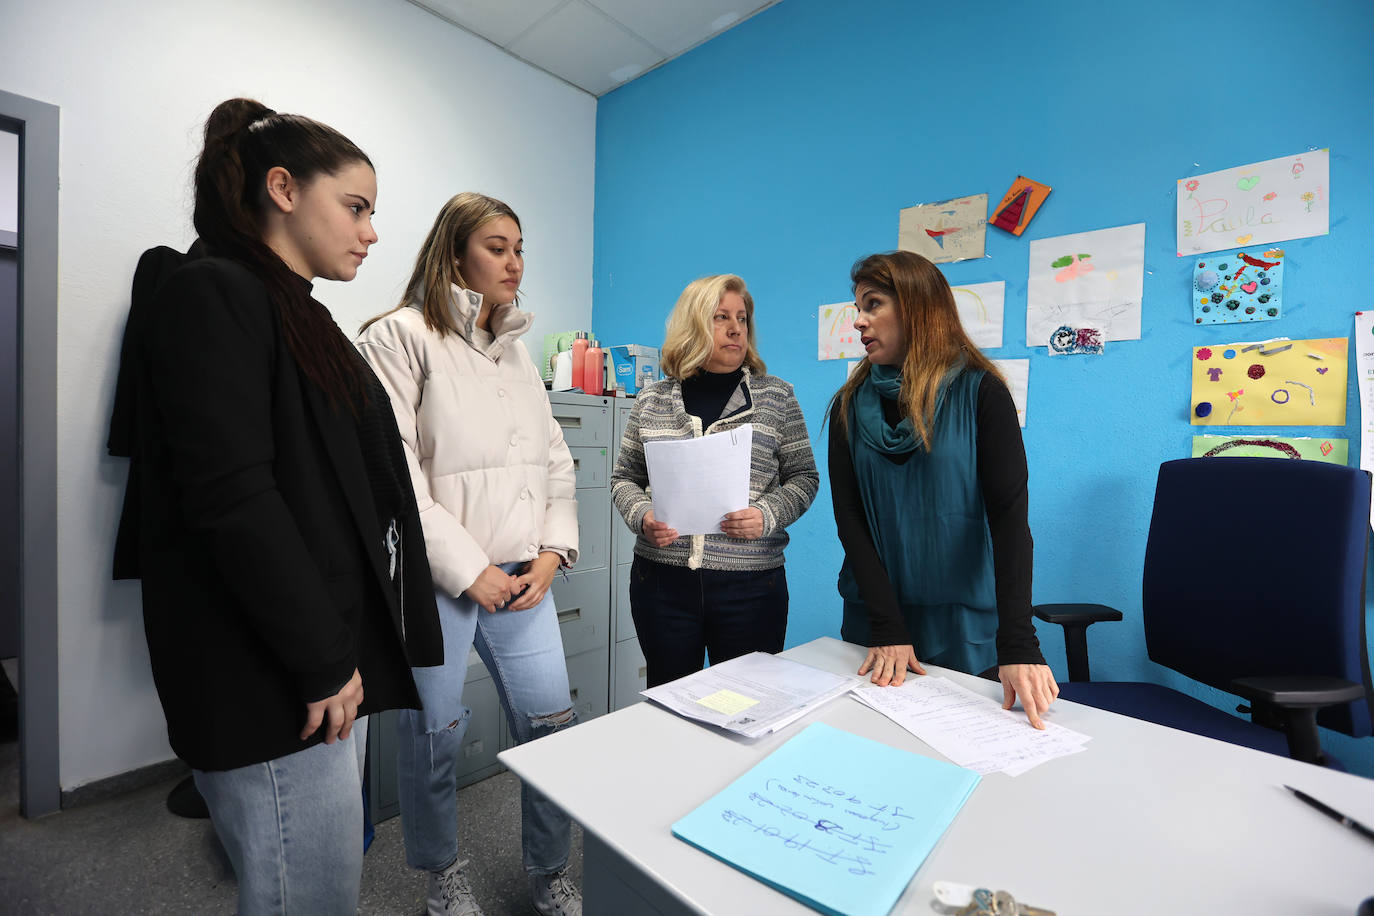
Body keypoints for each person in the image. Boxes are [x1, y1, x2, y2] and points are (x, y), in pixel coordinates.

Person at [108, 98, 443, 914]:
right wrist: (322, 658)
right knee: (307, 893)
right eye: (356, 207)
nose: (369, 232)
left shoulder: (300, 313)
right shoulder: (214, 294)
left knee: (320, 880)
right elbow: (233, 499)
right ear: (284, 188)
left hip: (321, 653)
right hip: (274, 672)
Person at [356, 192, 582, 916]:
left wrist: (553, 552)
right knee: (433, 737)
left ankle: (550, 873)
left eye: (520, 247)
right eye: (496, 246)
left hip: (522, 577)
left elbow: (554, 460)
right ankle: (440, 877)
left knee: (552, 726)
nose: (514, 261)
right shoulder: (399, 336)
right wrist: (467, 569)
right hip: (440, 581)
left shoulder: (516, 350)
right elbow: (393, 472)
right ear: (454, 255)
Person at [828, 250, 1059, 727]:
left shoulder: (982, 393)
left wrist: (1019, 640)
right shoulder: (848, 406)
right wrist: (887, 624)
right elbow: (850, 519)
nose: (859, 322)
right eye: (857, 308)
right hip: (877, 617)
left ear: (916, 307)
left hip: (965, 624)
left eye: (873, 305)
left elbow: (1010, 520)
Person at [611, 274, 819, 687]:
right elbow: (624, 478)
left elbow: (804, 476)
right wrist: (643, 516)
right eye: (721, 317)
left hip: (752, 587)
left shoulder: (776, 396)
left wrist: (766, 514)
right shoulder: (651, 399)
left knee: (749, 705)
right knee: (670, 703)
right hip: (662, 585)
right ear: (693, 325)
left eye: (742, 318)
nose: (735, 328)